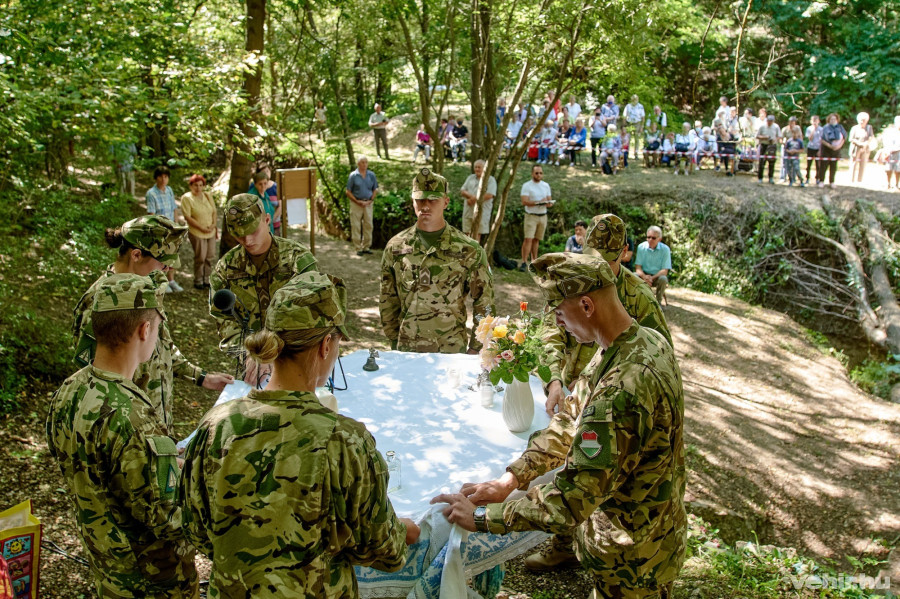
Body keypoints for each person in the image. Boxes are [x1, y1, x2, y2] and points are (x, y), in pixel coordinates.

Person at [433, 252, 686, 598]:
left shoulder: (620, 391)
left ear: (586, 305)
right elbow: (568, 420)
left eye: (558, 311)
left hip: (633, 560)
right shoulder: (639, 341)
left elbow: (571, 499)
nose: (556, 322)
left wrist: (484, 518)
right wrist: (512, 478)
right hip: (650, 538)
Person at [180, 272, 420, 597]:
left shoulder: (216, 424)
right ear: (325, 346)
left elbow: (196, 528)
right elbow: (384, 552)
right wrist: (407, 530)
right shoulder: (345, 440)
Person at [529, 214, 673, 571]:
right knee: (567, 460)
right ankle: (565, 544)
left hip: (615, 398)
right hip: (575, 388)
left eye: (606, 262)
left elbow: (659, 355)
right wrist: (554, 381)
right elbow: (551, 332)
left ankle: (606, 542)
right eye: (592, 258)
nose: (599, 269)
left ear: (623, 255)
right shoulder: (574, 280)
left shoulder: (639, 300)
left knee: (598, 476)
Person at [49, 273, 199, 598]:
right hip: (151, 578)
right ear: (145, 330)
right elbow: (167, 517)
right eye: (157, 329)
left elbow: (94, 469)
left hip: (107, 567)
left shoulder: (69, 390)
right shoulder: (131, 415)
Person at [72, 215, 233, 430]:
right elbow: (98, 384)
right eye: (163, 264)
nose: (167, 271)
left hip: (156, 425)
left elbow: (162, 346)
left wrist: (202, 378)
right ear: (136, 255)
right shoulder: (99, 302)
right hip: (128, 432)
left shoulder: (146, 289)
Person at [380, 168, 494, 353]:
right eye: (420, 200)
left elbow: (485, 302)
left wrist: (476, 347)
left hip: (450, 352)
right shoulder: (396, 247)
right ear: (413, 201)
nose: (425, 206)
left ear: (446, 202)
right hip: (406, 350)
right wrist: (394, 340)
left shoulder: (469, 249)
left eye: (433, 200)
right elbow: (387, 299)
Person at [210, 194, 318, 384]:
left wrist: (277, 354)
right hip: (253, 368)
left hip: (296, 361)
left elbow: (315, 313)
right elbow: (225, 321)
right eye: (239, 234)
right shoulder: (225, 269)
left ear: (267, 220)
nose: (247, 239)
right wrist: (249, 356)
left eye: (252, 230)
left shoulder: (298, 260)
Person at [145, 165, 183, 292]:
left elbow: (174, 208)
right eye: (160, 176)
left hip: (172, 229)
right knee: (160, 256)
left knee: (172, 255)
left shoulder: (169, 190)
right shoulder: (151, 193)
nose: (163, 179)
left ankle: (171, 281)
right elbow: (151, 214)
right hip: (160, 230)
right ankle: (161, 282)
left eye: (166, 176)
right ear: (156, 178)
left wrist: (176, 225)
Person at [180, 174, 218, 289]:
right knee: (200, 257)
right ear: (191, 186)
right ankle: (198, 280)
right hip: (197, 232)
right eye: (195, 185)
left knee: (209, 256)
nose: (198, 188)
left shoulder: (207, 195)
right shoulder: (187, 198)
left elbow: (214, 212)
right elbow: (188, 217)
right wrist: (201, 228)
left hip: (210, 231)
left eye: (201, 185)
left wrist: (213, 225)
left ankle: (207, 279)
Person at [520, 163, 554, 269]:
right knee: (528, 239)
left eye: (540, 173)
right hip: (531, 215)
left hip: (543, 215)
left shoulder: (545, 185)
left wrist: (549, 203)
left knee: (537, 239)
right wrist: (538, 202)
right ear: (532, 174)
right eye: (536, 173)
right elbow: (524, 201)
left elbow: (549, 200)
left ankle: (534, 261)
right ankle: (524, 261)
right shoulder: (527, 186)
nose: (538, 175)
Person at [345, 155, 378, 256]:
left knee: (368, 225)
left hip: (368, 203)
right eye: (362, 162)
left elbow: (375, 189)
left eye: (366, 162)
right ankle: (358, 247)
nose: (364, 164)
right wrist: (357, 201)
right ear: (358, 164)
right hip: (356, 204)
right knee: (356, 225)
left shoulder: (371, 175)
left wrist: (370, 200)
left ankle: (366, 247)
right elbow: (348, 191)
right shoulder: (353, 176)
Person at [460, 159, 497, 243]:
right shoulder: (470, 177)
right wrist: (472, 197)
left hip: (481, 211)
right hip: (468, 210)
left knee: (477, 234)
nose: (477, 169)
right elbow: (462, 191)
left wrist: (474, 199)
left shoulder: (490, 179)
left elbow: (490, 195)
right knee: (466, 233)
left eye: (479, 167)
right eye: (475, 167)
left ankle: (475, 255)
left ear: (484, 168)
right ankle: (468, 255)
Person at [635, 225, 672, 304]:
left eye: (653, 238)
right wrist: (644, 277)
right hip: (644, 275)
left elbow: (665, 271)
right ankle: (635, 302)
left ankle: (658, 303)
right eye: (648, 237)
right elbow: (638, 267)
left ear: (659, 239)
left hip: (656, 277)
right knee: (633, 276)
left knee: (663, 279)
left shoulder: (665, 249)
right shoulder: (641, 247)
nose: (650, 240)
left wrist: (652, 278)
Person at [818, 113, 846, 189]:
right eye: (831, 119)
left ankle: (832, 182)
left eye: (834, 119)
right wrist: (829, 146)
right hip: (826, 149)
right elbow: (821, 139)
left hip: (836, 150)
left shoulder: (840, 127)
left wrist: (838, 146)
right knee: (823, 166)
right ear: (829, 120)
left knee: (833, 166)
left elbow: (844, 138)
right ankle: (821, 181)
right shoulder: (825, 128)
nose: (833, 120)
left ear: (837, 120)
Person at [248, 169, 277, 235]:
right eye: (260, 184)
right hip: (258, 233)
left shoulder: (266, 195)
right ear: (255, 184)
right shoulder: (251, 197)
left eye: (265, 183)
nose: (263, 186)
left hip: (268, 231)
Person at [849, 112, 875, 184]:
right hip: (856, 148)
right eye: (861, 119)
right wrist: (860, 144)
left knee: (863, 164)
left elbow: (871, 137)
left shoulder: (869, 128)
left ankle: (860, 180)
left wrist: (865, 144)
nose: (862, 121)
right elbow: (851, 139)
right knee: (853, 163)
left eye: (864, 120)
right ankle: (852, 180)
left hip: (865, 148)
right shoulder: (854, 128)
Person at [756, 114, 780, 184]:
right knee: (762, 162)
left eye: (771, 121)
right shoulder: (762, 126)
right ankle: (760, 178)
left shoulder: (776, 126)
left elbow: (779, 136)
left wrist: (774, 139)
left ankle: (771, 178)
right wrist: (764, 137)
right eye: (768, 121)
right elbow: (757, 136)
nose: (769, 122)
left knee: (772, 162)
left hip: (772, 145)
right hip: (764, 145)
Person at [624, 95, 645, 160]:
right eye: (633, 99)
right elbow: (624, 115)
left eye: (635, 99)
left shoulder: (640, 106)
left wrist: (642, 126)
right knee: (628, 138)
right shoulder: (628, 106)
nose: (634, 100)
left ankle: (636, 154)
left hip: (637, 123)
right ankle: (626, 153)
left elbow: (643, 117)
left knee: (636, 139)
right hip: (629, 123)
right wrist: (624, 125)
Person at [882, 116, 900, 191]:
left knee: (898, 169)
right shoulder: (890, 131)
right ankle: (888, 183)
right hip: (890, 151)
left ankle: (896, 184)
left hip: (899, 152)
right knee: (888, 168)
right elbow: (885, 141)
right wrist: (888, 149)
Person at [805, 115, 823, 185]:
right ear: (811, 121)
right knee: (808, 164)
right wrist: (814, 130)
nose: (815, 122)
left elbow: (822, 140)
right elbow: (810, 138)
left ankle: (817, 178)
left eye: (816, 120)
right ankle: (807, 178)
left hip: (817, 148)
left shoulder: (821, 129)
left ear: (818, 121)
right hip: (810, 148)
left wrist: (820, 150)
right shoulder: (809, 128)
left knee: (818, 165)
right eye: (813, 120)